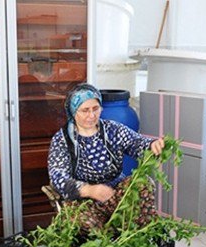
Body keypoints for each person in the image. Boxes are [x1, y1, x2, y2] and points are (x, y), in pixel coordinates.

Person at [47, 83, 164, 231]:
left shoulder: (112, 129)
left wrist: (152, 145)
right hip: (84, 200)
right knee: (85, 224)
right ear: (73, 111)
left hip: (117, 193)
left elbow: (136, 142)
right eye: (85, 110)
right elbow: (58, 177)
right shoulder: (62, 140)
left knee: (144, 183)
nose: (91, 115)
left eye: (95, 109)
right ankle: (108, 241)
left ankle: (134, 233)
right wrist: (90, 190)